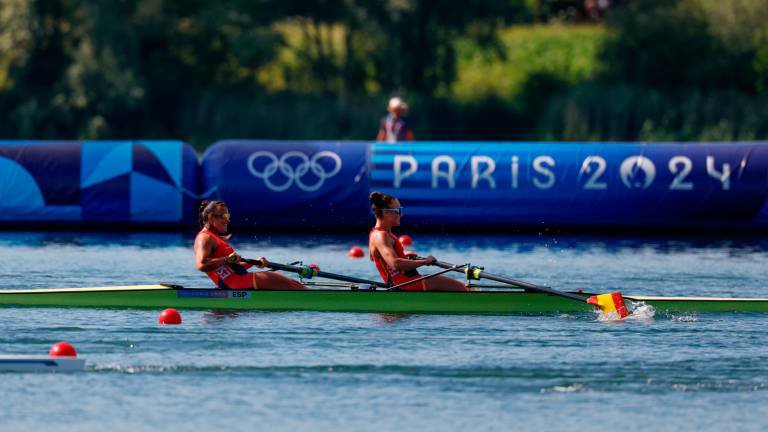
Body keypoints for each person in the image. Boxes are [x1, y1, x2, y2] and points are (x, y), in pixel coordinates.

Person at [368, 192, 470, 291]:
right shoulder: (380, 236)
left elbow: (376, 257)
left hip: (405, 282)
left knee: (463, 287)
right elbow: (395, 264)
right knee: (464, 288)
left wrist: (403, 255)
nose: (401, 214)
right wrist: (425, 262)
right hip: (404, 284)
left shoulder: (377, 233)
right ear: (385, 212)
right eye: (398, 210)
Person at [194, 200, 306, 290]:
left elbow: (231, 270)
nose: (227, 220)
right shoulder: (204, 237)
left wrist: (254, 262)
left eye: (227, 216)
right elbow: (201, 264)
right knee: (293, 286)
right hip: (238, 283)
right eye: (223, 216)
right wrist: (226, 259)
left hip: (237, 282)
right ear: (210, 217)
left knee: (294, 284)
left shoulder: (214, 238)